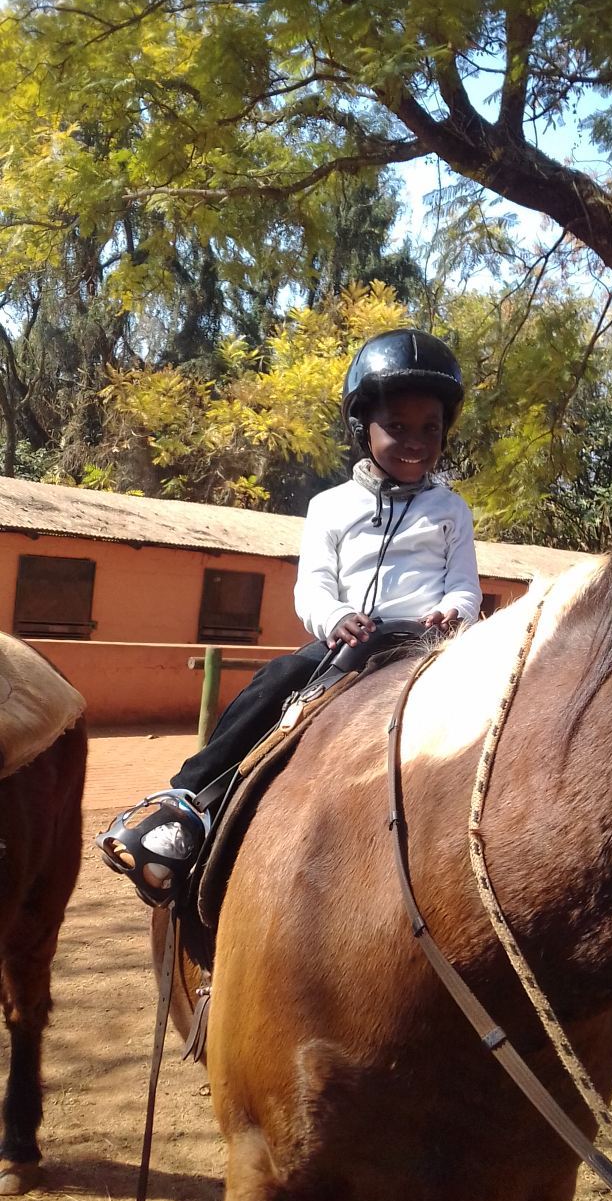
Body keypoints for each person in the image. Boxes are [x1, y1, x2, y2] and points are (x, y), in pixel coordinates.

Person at [98, 328, 482, 905]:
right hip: (354, 640)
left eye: (430, 428)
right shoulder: (331, 507)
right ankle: (187, 803)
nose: (416, 442)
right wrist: (337, 617)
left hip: (429, 642)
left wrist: (452, 611)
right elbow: (314, 586)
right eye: (398, 427)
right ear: (362, 428)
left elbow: (465, 585)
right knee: (275, 680)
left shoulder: (452, 509)